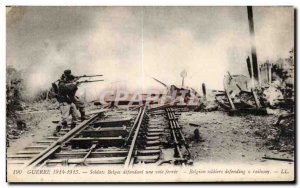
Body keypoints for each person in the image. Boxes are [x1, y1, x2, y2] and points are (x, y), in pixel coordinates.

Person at [52, 70, 86, 136]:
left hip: (69, 102)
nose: (72, 81)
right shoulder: (62, 84)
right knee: (64, 119)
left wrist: (74, 85)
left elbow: (71, 92)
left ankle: (72, 130)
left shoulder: (67, 83)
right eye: (71, 80)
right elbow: (66, 90)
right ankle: (56, 131)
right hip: (64, 102)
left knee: (75, 116)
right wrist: (74, 85)